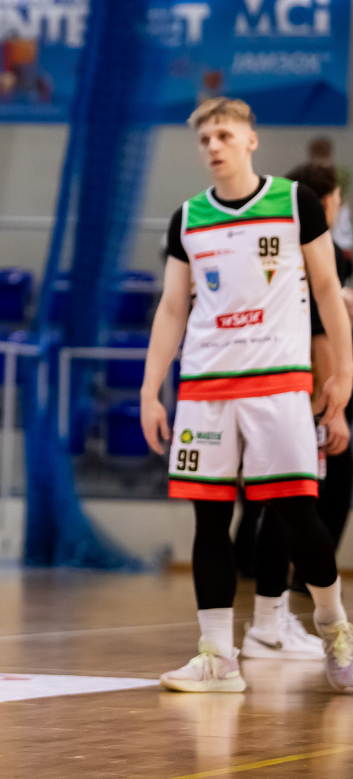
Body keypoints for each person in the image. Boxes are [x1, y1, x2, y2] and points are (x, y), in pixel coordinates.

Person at [142, 97, 353, 694]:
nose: (213, 146)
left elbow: (327, 289)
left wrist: (343, 372)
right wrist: (150, 389)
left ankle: (335, 626)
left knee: (295, 515)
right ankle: (217, 658)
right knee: (209, 519)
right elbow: (173, 307)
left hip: (278, 383)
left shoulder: (295, 203)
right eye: (205, 138)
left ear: (250, 140)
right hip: (205, 388)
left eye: (224, 135)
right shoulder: (187, 218)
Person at [234, 160, 353, 660]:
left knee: (279, 504)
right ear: (326, 202)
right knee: (295, 506)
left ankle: (273, 617)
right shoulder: (320, 251)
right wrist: (332, 405)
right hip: (298, 393)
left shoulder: (269, 244)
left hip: (263, 385)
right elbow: (321, 335)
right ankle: (278, 620)